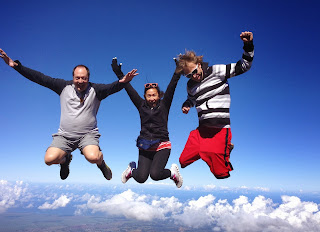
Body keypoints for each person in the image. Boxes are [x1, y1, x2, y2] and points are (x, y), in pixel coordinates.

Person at [0, 48, 138, 180]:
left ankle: (101, 164)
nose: (80, 81)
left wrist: (123, 82)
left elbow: (112, 87)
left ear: (88, 78)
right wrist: (15, 65)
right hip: (65, 136)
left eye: (84, 78)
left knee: (93, 157)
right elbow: (40, 78)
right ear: (73, 77)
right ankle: (65, 161)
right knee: (49, 160)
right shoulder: (63, 86)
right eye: (77, 78)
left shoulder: (96, 90)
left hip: (87, 135)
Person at [176, 31, 254, 179]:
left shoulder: (216, 71)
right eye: (188, 75)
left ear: (199, 64)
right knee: (183, 161)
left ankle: (225, 148)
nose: (194, 76)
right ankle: (212, 149)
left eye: (194, 71)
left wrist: (248, 45)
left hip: (219, 130)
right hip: (201, 131)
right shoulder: (190, 85)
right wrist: (186, 104)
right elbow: (191, 98)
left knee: (221, 174)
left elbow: (244, 66)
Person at [111, 58, 183, 188]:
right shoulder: (141, 105)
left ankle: (172, 173)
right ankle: (132, 170)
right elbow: (128, 88)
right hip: (145, 144)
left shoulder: (164, 105)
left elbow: (172, 86)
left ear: (158, 96)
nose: (151, 98)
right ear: (145, 96)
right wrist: (119, 74)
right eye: (149, 96)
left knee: (155, 175)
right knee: (141, 178)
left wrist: (178, 70)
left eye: (154, 95)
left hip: (162, 143)